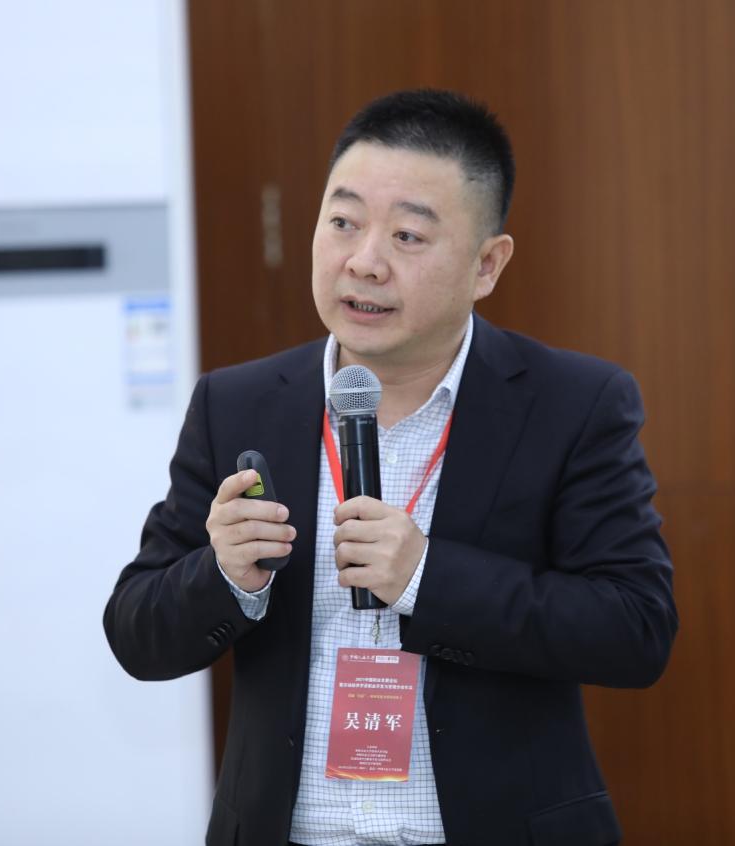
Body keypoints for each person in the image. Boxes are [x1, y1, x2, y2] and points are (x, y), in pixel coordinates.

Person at [104, 88, 677, 846]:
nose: (363, 262)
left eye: (407, 235)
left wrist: (425, 578)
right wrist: (226, 576)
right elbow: (136, 633)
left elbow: (634, 629)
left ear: (486, 265)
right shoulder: (236, 405)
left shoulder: (571, 404)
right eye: (342, 222)